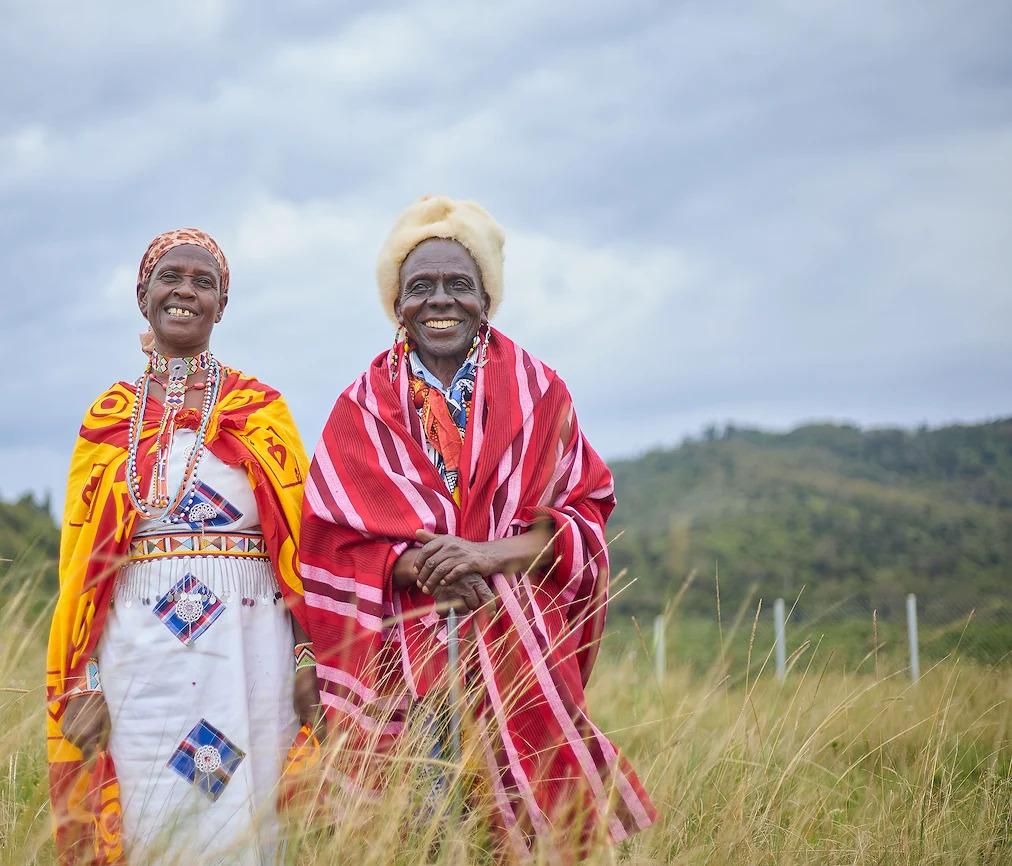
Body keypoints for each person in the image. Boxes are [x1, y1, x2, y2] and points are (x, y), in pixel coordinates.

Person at [299, 196, 656, 856]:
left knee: (526, 831)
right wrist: (423, 567)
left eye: (458, 283)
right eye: (420, 286)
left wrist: (484, 556)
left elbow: (583, 521)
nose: (440, 300)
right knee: (419, 831)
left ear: (486, 297)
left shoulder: (540, 392)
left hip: (520, 653)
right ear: (397, 303)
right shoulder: (361, 406)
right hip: (406, 662)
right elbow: (327, 543)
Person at [45, 228, 318, 865]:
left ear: (222, 306)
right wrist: (83, 679)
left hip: (254, 647)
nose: (186, 292)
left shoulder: (262, 409)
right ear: (143, 296)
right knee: (151, 810)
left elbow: (301, 545)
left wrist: (308, 654)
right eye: (171, 278)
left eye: (204, 283)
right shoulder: (109, 417)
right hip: (139, 650)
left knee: (252, 814)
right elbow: (83, 569)